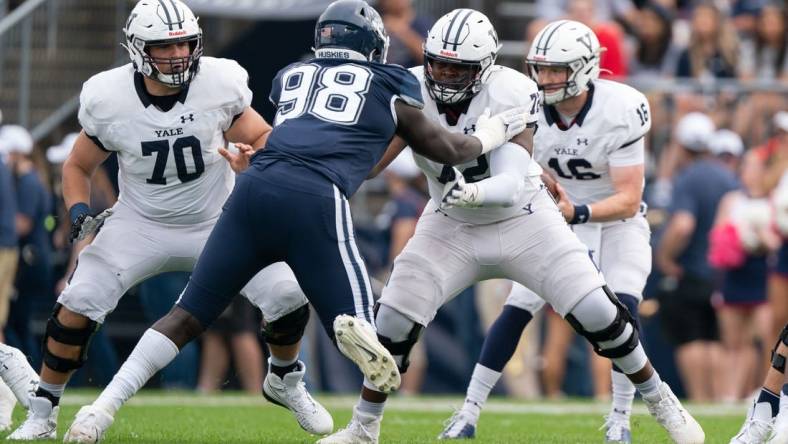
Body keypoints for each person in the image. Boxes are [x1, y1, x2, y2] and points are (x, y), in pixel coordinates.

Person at [63, 1, 529, 442]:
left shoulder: (292, 74)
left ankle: (98, 412)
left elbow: (343, 145)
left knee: (188, 315)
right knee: (362, 321)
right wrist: (496, 130)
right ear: (374, 45)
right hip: (316, 196)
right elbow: (446, 149)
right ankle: (347, 338)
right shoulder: (391, 82)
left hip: (253, 188)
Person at [321, 16, 703, 444]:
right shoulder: (409, 87)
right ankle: (363, 428)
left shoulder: (512, 91)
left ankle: (658, 396)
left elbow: (505, 186)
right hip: (450, 222)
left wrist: (467, 192)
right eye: (438, 65)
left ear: (484, 66)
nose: (445, 76)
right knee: (392, 322)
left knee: (600, 312)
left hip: (523, 216)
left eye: (458, 68)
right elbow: (369, 162)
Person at [4, 1, 331, 440]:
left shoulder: (219, 81)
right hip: (141, 221)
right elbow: (77, 166)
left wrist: (252, 160)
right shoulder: (109, 96)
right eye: (165, 45)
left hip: (220, 219)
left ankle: (286, 379)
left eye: (184, 42)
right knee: (78, 301)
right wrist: (79, 210)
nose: (178, 53)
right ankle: (43, 413)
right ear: (137, 49)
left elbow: (260, 136)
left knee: (288, 293)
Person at [437, 16, 654, 443]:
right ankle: (468, 412)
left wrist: (579, 212)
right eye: (542, 68)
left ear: (587, 67)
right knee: (519, 305)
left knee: (623, 304)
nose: (547, 78)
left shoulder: (621, 108)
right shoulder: (525, 103)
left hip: (615, 221)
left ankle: (621, 419)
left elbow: (628, 198)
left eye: (558, 69)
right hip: (554, 216)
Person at [656, 112, 739, 402]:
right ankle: (717, 401)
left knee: (691, 338)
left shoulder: (689, 178)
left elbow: (682, 225)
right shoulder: (727, 176)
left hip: (690, 271)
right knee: (714, 338)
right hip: (723, 273)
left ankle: (701, 399)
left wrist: (665, 258)